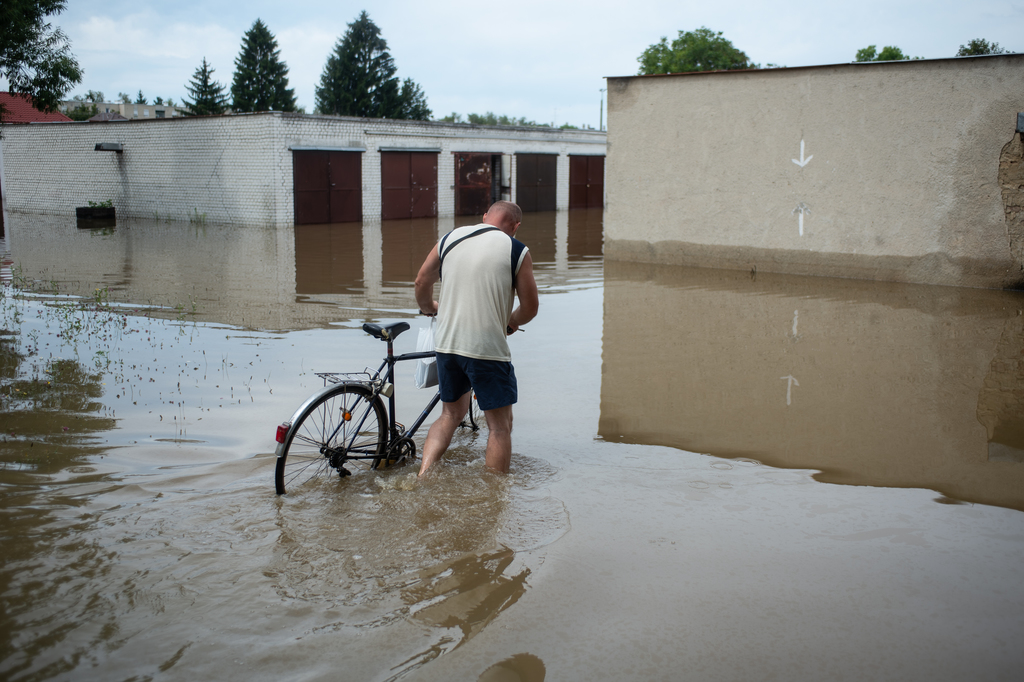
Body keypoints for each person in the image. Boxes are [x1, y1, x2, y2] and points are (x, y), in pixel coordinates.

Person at [414, 200, 539, 476]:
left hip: (447, 344)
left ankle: (423, 474)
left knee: (449, 415)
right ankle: (494, 498)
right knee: (499, 427)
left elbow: (422, 280)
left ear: (485, 217)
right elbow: (530, 308)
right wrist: (511, 322)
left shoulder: (449, 238)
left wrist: (428, 308)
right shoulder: (516, 250)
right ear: (515, 226)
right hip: (486, 349)